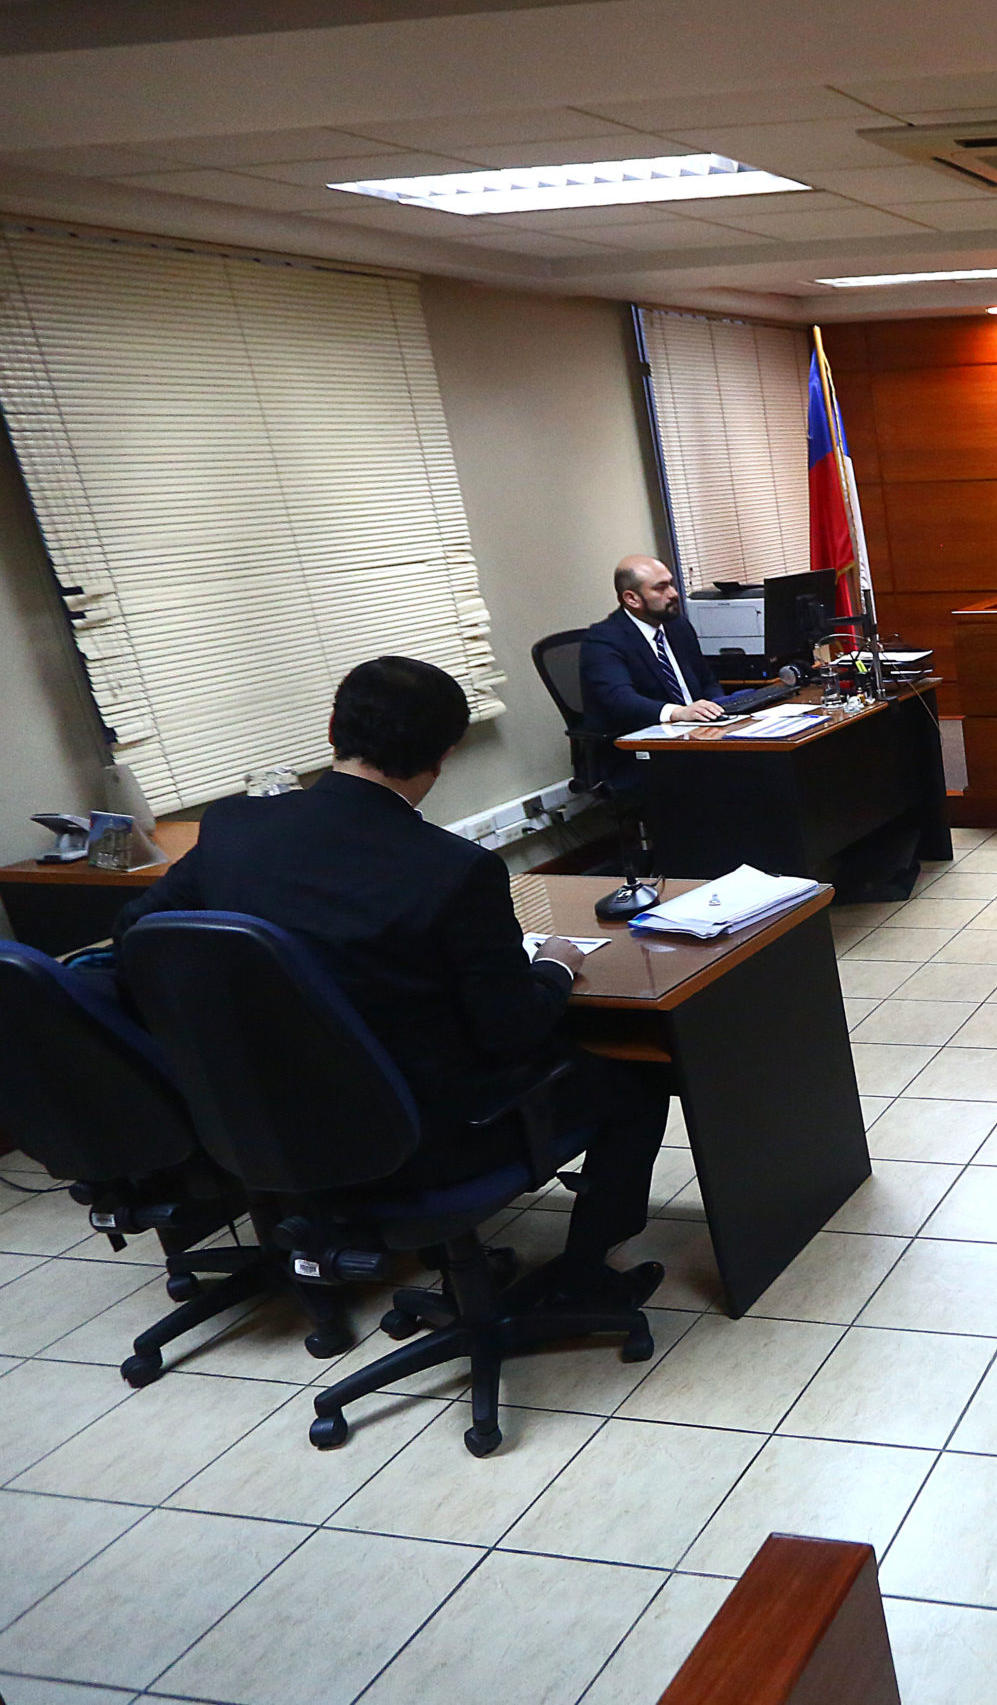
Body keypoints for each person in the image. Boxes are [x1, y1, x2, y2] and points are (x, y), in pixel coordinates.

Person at [117, 656, 667, 1306]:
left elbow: (136, 930)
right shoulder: (453, 869)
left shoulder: (235, 826)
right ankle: (582, 1280)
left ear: (334, 730)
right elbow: (511, 1030)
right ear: (445, 754)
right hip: (419, 1136)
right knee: (637, 1080)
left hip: (265, 1110)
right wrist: (553, 965)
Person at [580, 553, 724, 791]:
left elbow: (707, 680)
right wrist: (679, 713)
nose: (673, 594)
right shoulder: (603, 640)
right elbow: (620, 701)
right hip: (640, 749)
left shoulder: (677, 626)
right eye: (660, 588)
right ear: (632, 599)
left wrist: (721, 711)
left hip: (698, 734)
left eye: (671, 584)